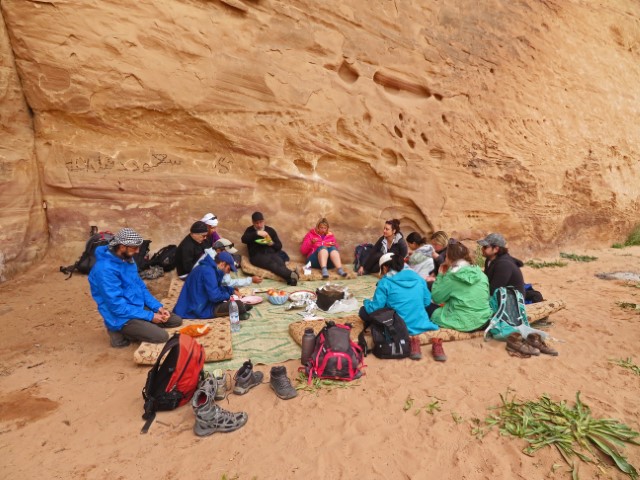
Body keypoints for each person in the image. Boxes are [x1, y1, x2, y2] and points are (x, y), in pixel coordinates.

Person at [88, 228, 182, 348]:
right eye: (134, 248)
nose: (138, 251)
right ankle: (117, 331)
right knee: (161, 336)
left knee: (175, 320)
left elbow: (141, 287)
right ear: (122, 247)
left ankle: (141, 325)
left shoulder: (127, 259)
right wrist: (150, 316)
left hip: (135, 305)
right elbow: (117, 307)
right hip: (120, 316)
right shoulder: (104, 270)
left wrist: (157, 307)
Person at [360, 253, 439, 358]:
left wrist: (366, 302)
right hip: (421, 323)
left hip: (397, 326)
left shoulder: (385, 282)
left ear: (385, 267)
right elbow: (426, 302)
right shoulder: (419, 278)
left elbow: (376, 308)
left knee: (363, 311)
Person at [430, 239, 493, 332]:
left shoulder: (452, 276)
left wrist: (440, 275)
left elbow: (436, 298)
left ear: (450, 258)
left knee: (431, 311)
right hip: (484, 319)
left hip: (465, 323)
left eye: (446, 256)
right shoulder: (480, 273)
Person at [173, 251, 250, 320]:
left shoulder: (210, 268)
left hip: (196, 304)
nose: (228, 272)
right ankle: (241, 309)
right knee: (237, 305)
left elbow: (216, 288)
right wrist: (228, 296)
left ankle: (241, 309)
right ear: (222, 264)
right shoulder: (209, 272)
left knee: (236, 304)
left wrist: (231, 290)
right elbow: (215, 297)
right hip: (198, 309)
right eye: (228, 269)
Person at [241, 211, 299, 286]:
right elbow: (243, 239)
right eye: (256, 223)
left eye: (261, 222)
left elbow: (279, 246)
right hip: (256, 256)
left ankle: (291, 280)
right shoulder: (250, 230)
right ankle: (292, 274)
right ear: (253, 222)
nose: (259, 225)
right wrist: (257, 233)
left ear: (264, 221)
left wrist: (272, 243)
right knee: (272, 264)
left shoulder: (270, 230)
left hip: (271, 253)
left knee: (280, 261)